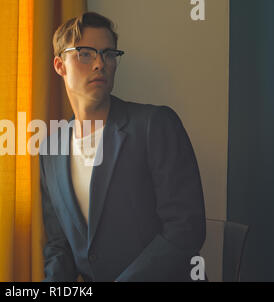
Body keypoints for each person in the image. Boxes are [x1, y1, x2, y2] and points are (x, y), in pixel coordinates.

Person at [38, 12, 207, 282]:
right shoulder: (50, 150)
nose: (99, 64)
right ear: (60, 65)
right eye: (85, 54)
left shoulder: (155, 124)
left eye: (108, 54)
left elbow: (185, 229)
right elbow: (60, 246)